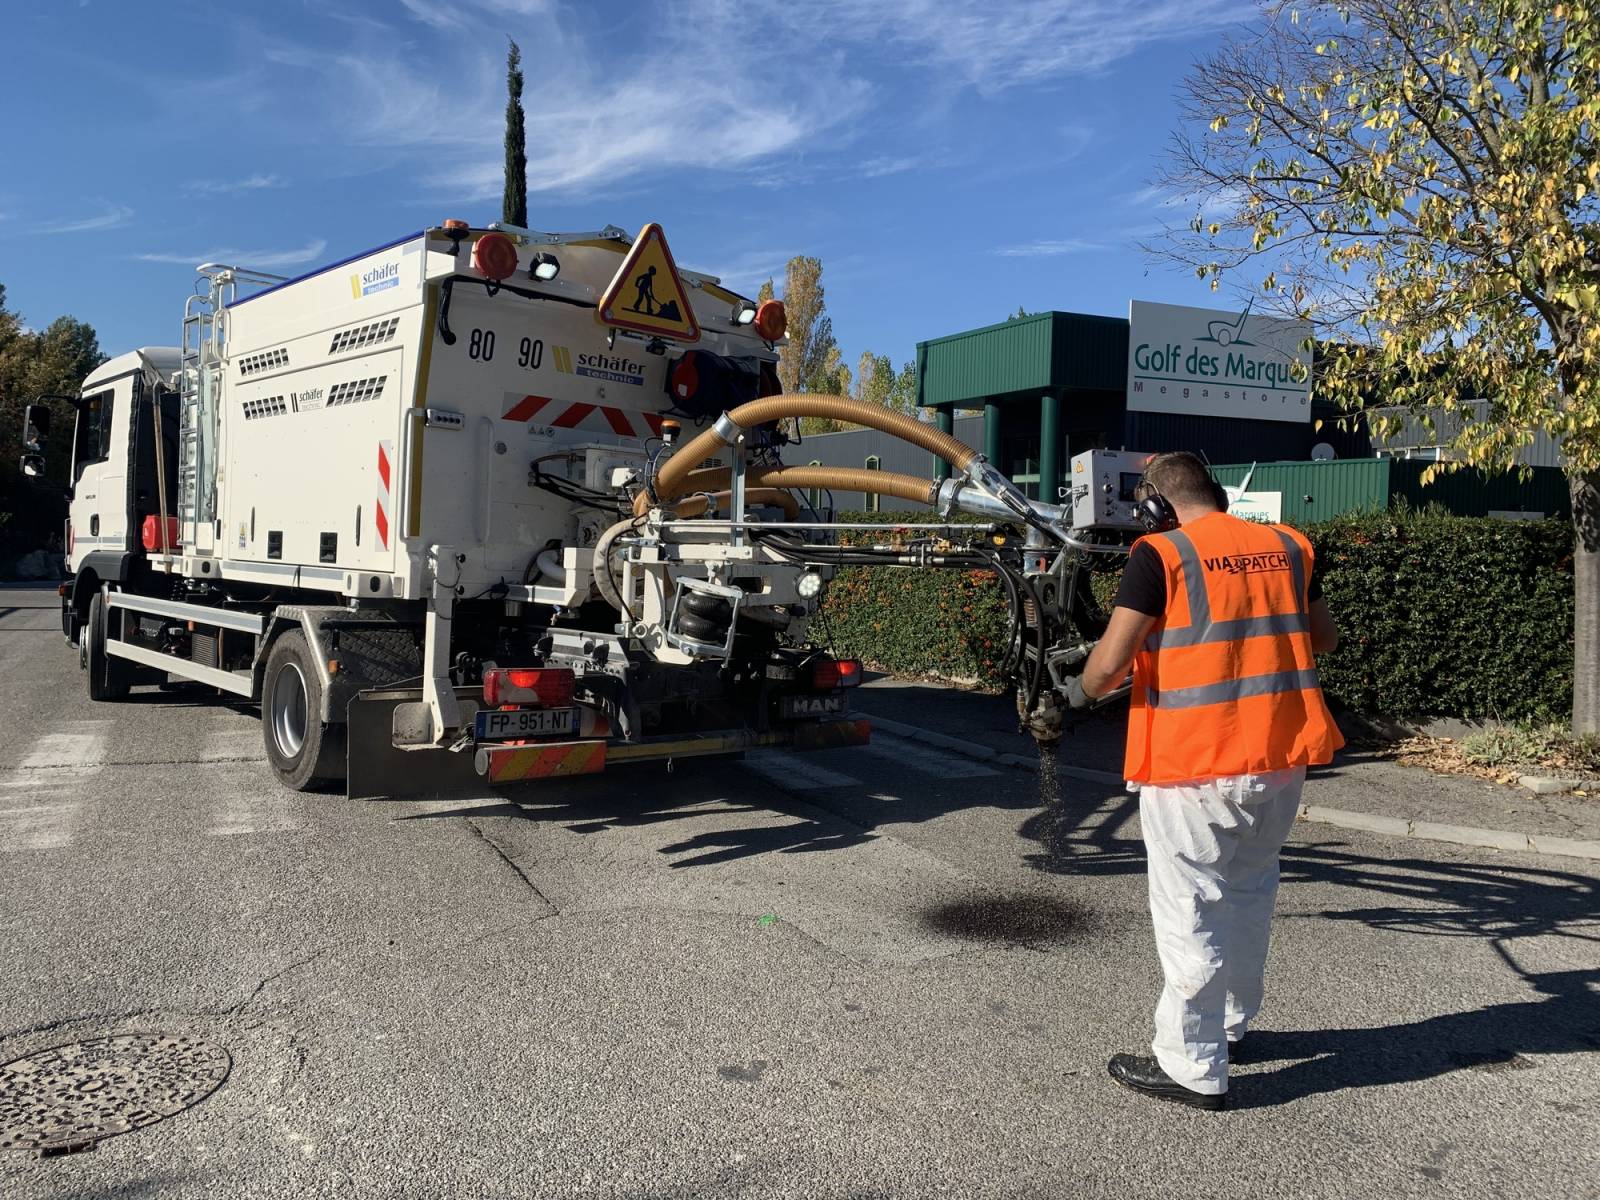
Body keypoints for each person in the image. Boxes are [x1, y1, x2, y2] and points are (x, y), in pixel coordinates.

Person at [1066, 450, 1343, 1111]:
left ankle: (1191, 1065)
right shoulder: (1289, 546)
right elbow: (1323, 638)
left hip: (1195, 762)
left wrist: (1079, 691)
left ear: (1156, 507)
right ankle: (1230, 1027)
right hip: (1280, 757)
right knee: (1248, 895)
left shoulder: (1160, 557)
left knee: (1191, 909)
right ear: (1215, 492)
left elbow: (1109, 665)